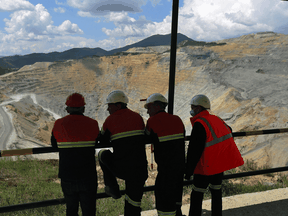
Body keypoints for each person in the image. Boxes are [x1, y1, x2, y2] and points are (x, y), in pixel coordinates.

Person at [185, 94, 244, 216]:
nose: (191, 110)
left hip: (205, 167)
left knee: (197, 194)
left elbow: (194, 150)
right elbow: (229, 130)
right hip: (219, 165)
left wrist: (189, 171)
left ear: (199, 108)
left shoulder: (199, 123)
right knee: (216, 192)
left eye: (193, 107)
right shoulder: (217, 119)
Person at [98, 90, 148, 216]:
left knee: (102, 154)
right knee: (134, 201)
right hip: (140, 168)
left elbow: (102, 139)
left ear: (118, 105)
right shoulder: (138, 117)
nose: (108, 109)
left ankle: (112, 188)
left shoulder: (110, 120)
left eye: (110, 105)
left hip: (123, 168)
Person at [51, 93, 99, 216]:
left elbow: (54, 144)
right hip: (87, 175)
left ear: (67, 109)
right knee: (89, 211)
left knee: (71, 210)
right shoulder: (93, 123)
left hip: (68, 175)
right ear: (83, 108)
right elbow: (98, 140)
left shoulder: (59, 124)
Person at [144, 93, 186, 216]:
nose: (148, 112)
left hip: (166, 171)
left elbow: (145, 137)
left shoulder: (152, 121)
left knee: (164, 202)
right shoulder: (177, 119)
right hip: (179, 169)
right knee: (176, 200)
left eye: (149, 108)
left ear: (157, 106)